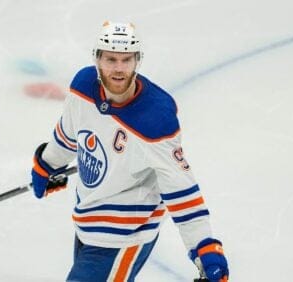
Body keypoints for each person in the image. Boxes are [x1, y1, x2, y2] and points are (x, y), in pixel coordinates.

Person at [30, 21, 229, 282]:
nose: (119, 69)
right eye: (111, 59)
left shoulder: (156, 119)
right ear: (97, 59)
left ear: (138, 61)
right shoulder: (82, 88)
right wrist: (47, 164)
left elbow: (180, 188)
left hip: (126, 233)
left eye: (126, 60)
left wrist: (203, 244)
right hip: (87, 222)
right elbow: (68, 136)